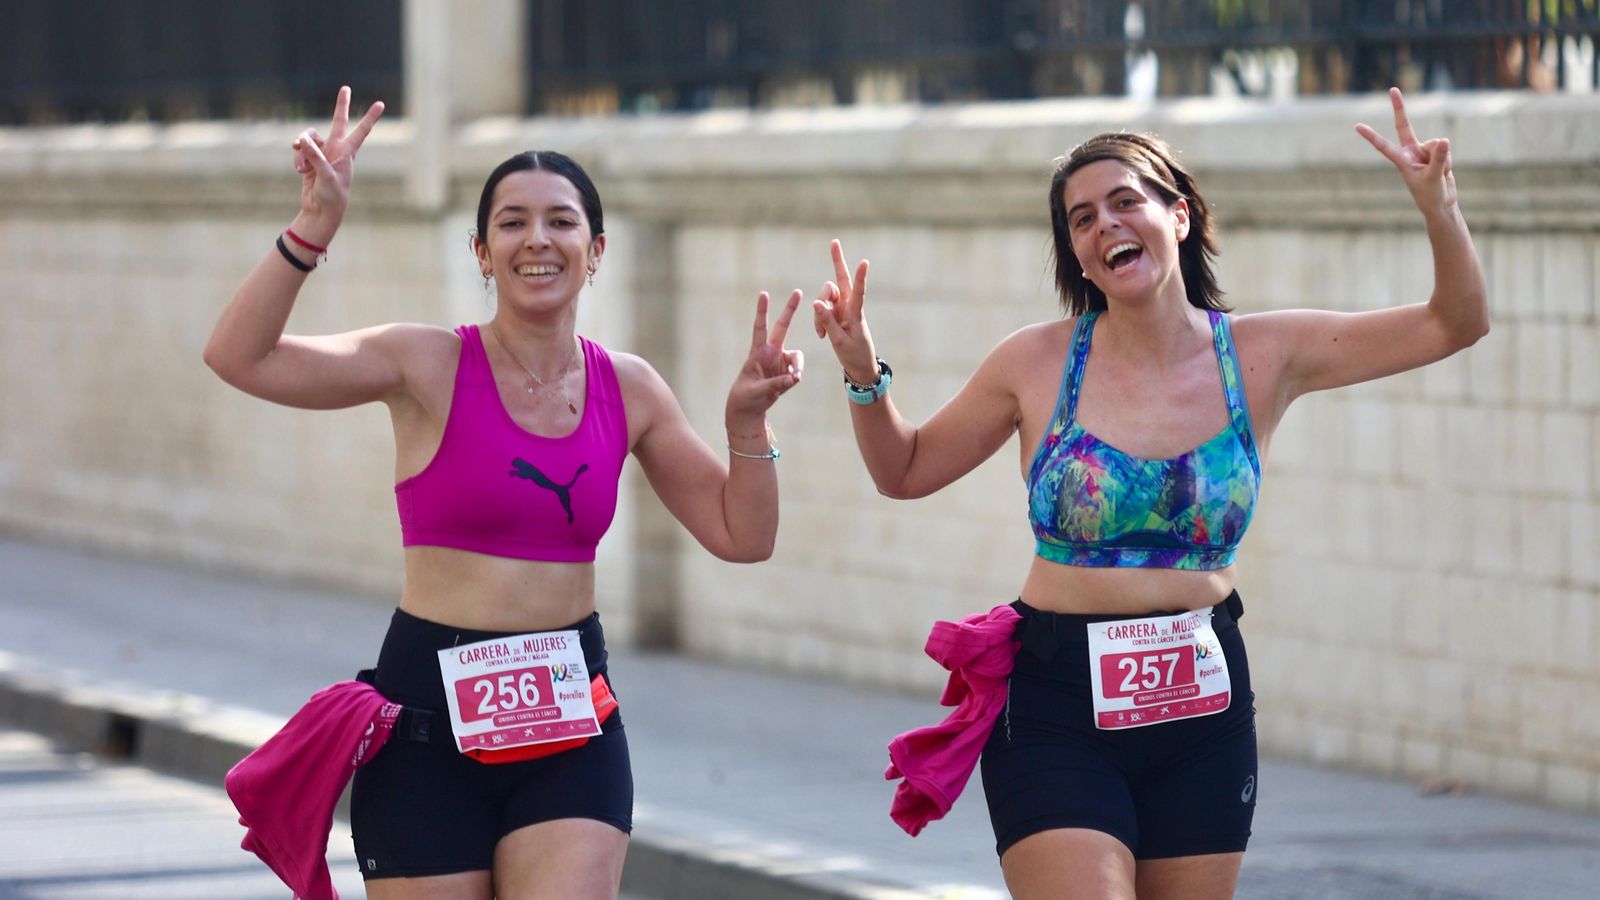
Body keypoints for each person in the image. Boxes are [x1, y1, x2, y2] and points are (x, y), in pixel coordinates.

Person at [814, 88, 1486, 899]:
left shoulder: (1267, 354)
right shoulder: (1034, 362)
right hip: (1056, 702)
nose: (1105, 227)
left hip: (1202, 708)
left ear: (1180, 215)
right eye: (1082, 219)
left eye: (1125, 202)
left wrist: (1439, 210)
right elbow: (906, 469)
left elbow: (1455, 322)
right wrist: (862, 374)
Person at [204, 87, 804, 900]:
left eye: (561, 220)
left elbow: (744, 534)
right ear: (482, 254)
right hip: (424, 726)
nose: (537, 239)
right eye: (511, 222)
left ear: (596, 250)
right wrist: (313, 228)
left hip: (570, 723)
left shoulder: (629, 388)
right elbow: (242, 357)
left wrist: (746, 426)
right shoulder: (423, 364)